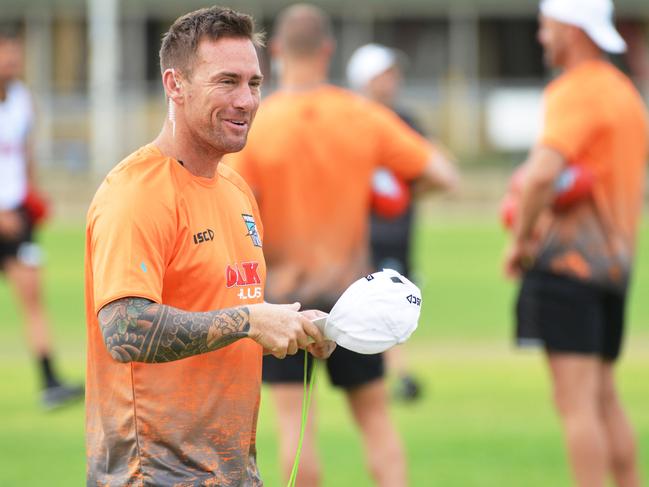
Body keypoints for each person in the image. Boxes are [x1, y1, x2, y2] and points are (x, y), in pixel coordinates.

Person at [84, 7, 335, 486]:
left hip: (234, 472)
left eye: (255, 83)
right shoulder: (135, 193)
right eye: (227, 81)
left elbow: (221, 317)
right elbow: (124, 330)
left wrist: (292, 324)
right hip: (151, 474)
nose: (247, 100)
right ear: (175, 85)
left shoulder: (236, 192)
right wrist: (250, 320)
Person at [225, 5, 458, 486]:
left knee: (295, 425)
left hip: (285, 297)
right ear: (329, 51)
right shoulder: (361, 115)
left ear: (278, 53)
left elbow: (230, 206)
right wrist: (392, 192)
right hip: (353, 295)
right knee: (376, 423)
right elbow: (443, 173)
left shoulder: (258, 123)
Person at [503, 1, 647, 486]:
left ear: (570, 27)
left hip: (569, 266)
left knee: (575, 404)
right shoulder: (626, 92)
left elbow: (542, 173)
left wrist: (521, 239)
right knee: (605, 396)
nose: (542, 38)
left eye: (546, 27)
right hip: (616, 270)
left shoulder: (575, 90)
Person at [0, 28, 83, 410]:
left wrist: (34, 195)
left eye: (16, 56)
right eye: (6, 56)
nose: (12, 63)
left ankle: (49, 381)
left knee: (33, 296)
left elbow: (25, 155)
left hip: (18, 218)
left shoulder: (21, 100)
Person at [347, 43, 424, 402]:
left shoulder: (407, 123)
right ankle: (400, 375)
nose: (391, 81)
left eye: (393, 74)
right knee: (379, 306)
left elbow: (432, 169)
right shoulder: (351, 124)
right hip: (363, 236)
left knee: (391, 304)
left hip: (398, 234)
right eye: (383, 75)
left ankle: (393, 373)